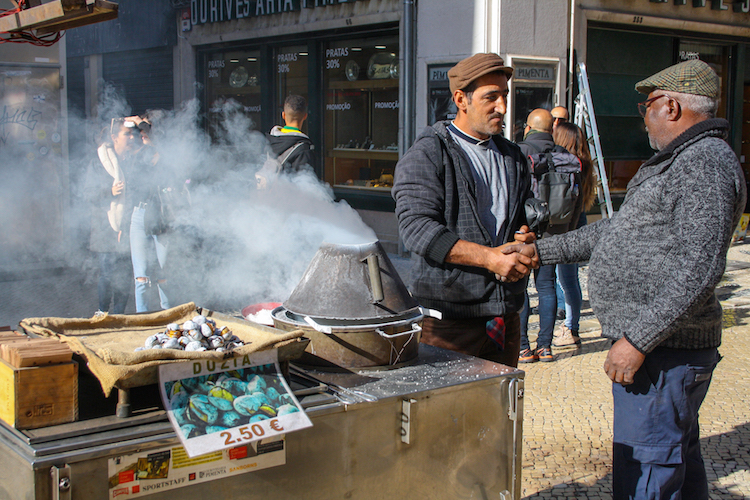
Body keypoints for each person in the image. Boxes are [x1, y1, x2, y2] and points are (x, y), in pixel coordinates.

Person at [504, 59, 746, 498]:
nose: (645, 116)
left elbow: (700, 267)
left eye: (647, 105)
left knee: (647, 476)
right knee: (676, 468)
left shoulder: (704, 163)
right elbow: (618, 230)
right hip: (660, 352)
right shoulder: (679, 161)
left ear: (671, 106)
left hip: (662, 355)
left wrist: (636, 340)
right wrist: (540, 251)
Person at [392, 52, 538, 368]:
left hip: (505, 319)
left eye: (505, 96)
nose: (502, 106)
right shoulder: (430, 152)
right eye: (491, 97)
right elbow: (417, 230)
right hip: (449, 324)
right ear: (461, 99)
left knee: (498, 413)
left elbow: (522, 217)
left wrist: (526, 239)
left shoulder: (513, 156)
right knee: (447, 415)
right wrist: (491, 259)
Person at [516, 108, 583, 363]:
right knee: (546, 287)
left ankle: (522, 348)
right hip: (556, 231)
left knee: (520, 288)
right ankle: (545, 346)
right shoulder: (567, 156)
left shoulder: (520, 152)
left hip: (526, 231)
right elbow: (576, 201)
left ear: (528, 127)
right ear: (551, 129)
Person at [84, 118, 138, 314]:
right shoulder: (99, 162)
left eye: (132, 134)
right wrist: (110, 191)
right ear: (114, 137)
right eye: (126, 134)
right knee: (107, 274)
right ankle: (102, 313)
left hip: (127, 226)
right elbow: (88, 193)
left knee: (124, 275)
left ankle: (119, 315)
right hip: (105, 227)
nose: (131, 138)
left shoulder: (132, 162)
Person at [550, 122, 597, 349]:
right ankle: (572, 327)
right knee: (570, 279)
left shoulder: (569, 167)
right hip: (579, 223)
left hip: (567, 228)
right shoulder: (585, 164)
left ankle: (570, 328)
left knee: (565, 279)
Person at [126, 114, 172, 313]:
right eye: (142, 130)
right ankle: (141, 318)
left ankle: (169, 317)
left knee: (164, 274)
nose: (143, 133)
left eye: (148, 129)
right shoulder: (136, 155)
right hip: (139, 214)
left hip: (161, 215)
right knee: (141, 277)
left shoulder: (167, 153)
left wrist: (141, 122)